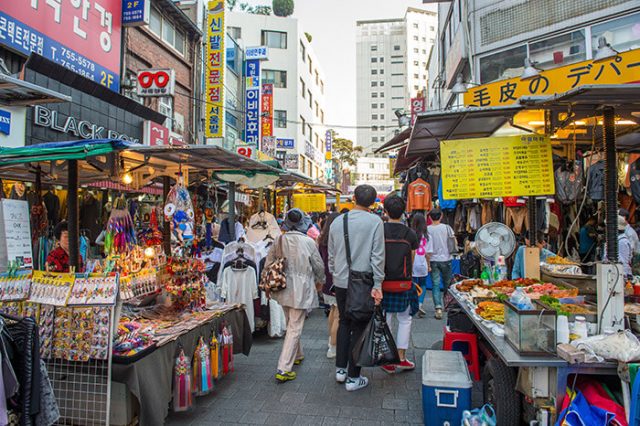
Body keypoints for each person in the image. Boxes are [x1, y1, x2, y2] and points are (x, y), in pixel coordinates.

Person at [329, 184, 385, 392]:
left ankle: (340, 370)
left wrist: (336, 274)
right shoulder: (375, 222)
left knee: (344, 322)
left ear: (353, 198)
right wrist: (378, 284)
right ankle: (354, 377)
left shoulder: (338, 221)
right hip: (364, 282)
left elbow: (332, 255)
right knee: (360, 326)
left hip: (342, 281)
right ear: (373, 202)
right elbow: (378, 256)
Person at [268, 208, 325, 383]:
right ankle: (284, 368)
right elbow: (318, 266)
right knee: (294, 326)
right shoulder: (308, 242)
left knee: (290, 323)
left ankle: (297, 354)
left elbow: (268, 263)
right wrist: (320, 281)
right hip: (301, 288)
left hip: (282, 286)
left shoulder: (278, 240)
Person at [380, 195, 418, 374]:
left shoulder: (379, 230)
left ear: (385, 211)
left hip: (382, 282)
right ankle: (402, 358)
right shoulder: (410, 234)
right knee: (405, 319)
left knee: (384, 320)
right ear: (403, 211)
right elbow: (411, 258)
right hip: (403, 283)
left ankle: (387, 359)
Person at [318, 212, 340, 358]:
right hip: (337, 279)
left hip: (326, 280)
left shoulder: (321, 240)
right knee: (338, 314)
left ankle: (330, 341)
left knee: (332, 310)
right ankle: (333, 347)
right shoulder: (337, 240)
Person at [426, 209, 454, 320]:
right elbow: (454, 241)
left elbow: (427, 247)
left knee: (435, 284)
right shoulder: (447, 228)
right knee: (447, 283)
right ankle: (447, 304)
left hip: (433, 259)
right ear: (441, 216)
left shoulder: (427, 229)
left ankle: (438, 307)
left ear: (430, 217)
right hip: (446, 258)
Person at [410, 212, 431, 317]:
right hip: (423, 264)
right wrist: (429, 265)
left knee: (413, 285)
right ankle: (420, 304)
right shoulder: (427, 236)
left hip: (413, 263)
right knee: (423, 285)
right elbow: (428, 253)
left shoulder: (410, 234)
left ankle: (413, 304)